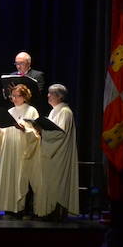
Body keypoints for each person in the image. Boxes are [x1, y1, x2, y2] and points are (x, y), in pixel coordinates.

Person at [32, 83, 79, 220]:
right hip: (52, 152)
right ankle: (48, 210)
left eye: (51, 94)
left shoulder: (65, 112)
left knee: (56, 182)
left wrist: (43, 131)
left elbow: (60, 134)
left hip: (59, 154)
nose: (48, 96)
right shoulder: (54, 111)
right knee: (49, 181)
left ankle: (56, 212)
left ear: (59, 96)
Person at [0, 83, 39, 217]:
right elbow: (6, 130)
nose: (14, 99)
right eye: (12, 96)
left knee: (20, 177)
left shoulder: (31, 111)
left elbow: (36, 132)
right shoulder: (10, 111)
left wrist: (24, 129)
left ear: (25, 97)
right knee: (8, 176)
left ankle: (21, 208)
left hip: (22, 149)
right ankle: (8, 207)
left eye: (17, 96)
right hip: (9, 148)